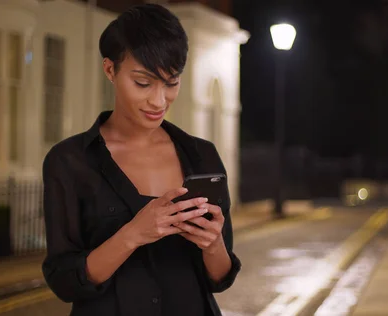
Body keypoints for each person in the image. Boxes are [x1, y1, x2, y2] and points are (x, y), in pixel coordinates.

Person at [41, 4, 241, 316]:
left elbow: (219, 279)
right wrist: (133, 234)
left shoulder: (202, 155)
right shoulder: (69, 161)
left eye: (171, 82)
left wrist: (213, 244)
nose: (159, 101)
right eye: (143, 82)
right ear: (110, 70)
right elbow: (65, 282)